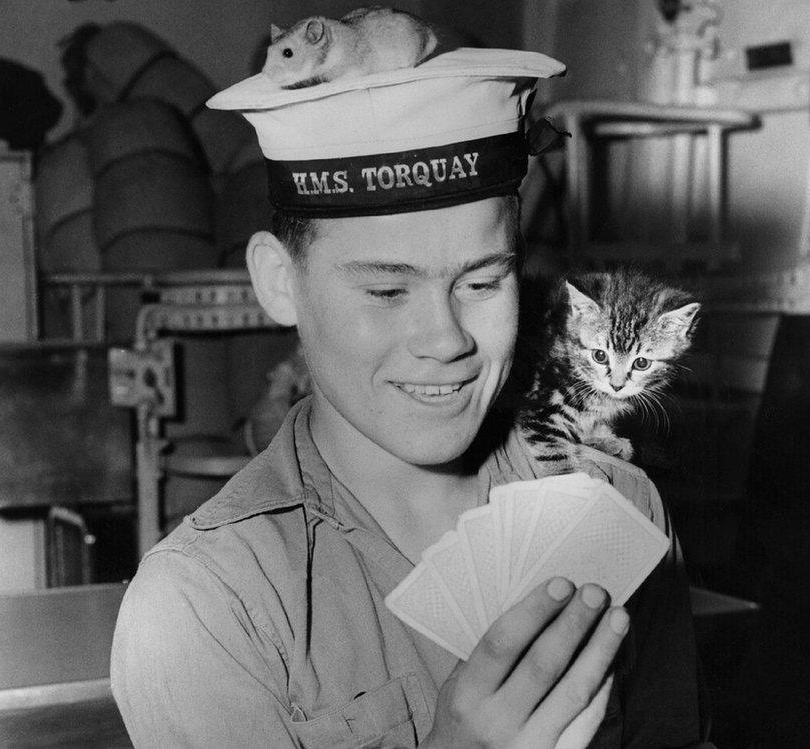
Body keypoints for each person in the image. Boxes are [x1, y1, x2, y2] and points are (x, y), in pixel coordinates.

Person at [110, 41, 710, 748]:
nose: (445, 338)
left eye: (483, 281)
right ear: (279, 282)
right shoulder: (205, 606)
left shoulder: (618, 506)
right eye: (388, 289)